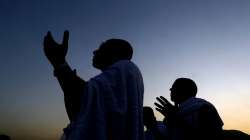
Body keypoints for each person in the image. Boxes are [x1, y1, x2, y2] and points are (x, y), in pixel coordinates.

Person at [43, 31, 144, 140]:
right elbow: (82, 112)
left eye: (102, 47)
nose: (94, 51)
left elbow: (83, 98)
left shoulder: (125, 67)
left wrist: (59, 62)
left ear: (114, 52)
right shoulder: (125, 74)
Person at [154, 78, 223, 140]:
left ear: (183, 89)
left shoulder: (204, 107)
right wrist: (152, 126)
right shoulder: (177, 111)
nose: (170, 89)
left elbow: (212, 136)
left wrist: (177, 121)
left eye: (173, 87)